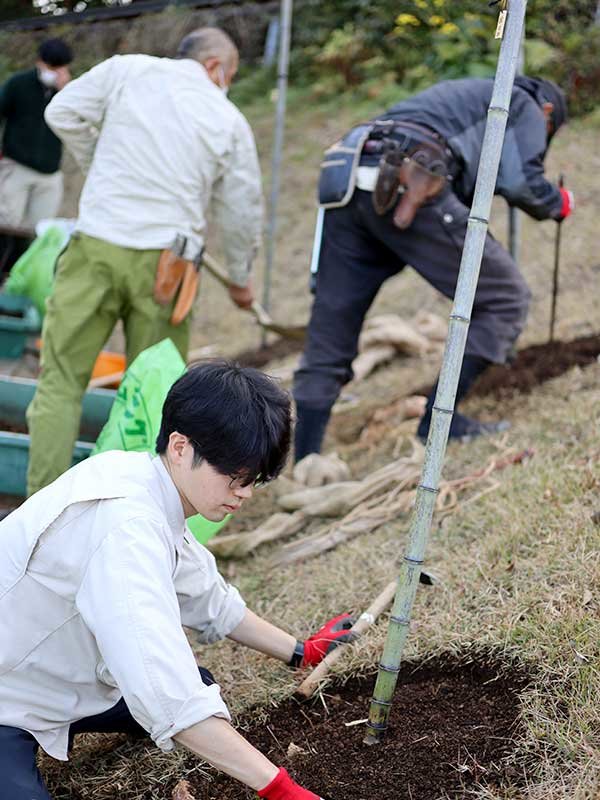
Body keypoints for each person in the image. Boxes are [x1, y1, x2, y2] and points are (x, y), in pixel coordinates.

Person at [0, 361, 350, 800]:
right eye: (234, 476)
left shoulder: (146, 482)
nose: (244, 492)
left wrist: (300, 652)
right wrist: (281, 790)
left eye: (253, 479)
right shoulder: (124, 525)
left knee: (198, 685)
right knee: (182, 700)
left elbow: (205, 594)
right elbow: (166, 694)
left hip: (62, 678)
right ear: (181, 447)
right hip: (8, 694)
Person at [26, 27, 263, 496]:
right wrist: (240, 278)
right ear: (216, 68)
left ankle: (41, 510)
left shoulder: (126, 70)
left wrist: (101, 163)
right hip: (167, 265)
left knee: (60, 384)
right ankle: (137, 512)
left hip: (96, 245)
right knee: (155, 394)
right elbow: (241, 209)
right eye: (230, 75)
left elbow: (62, 110)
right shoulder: (226, 117)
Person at [293, 76, 573, 461]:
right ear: (548, 114)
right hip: (411, 177)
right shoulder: (524, 101)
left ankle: (304, 456)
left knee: (332, 320)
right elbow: (522, 180)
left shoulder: (465, 94)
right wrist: (558, 202)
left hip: (349, 177)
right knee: (505, 297)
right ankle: (440, 421)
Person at [0, 38, 72, 268]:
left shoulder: (69, 93)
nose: (54, 72)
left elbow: (79, 119)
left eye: (59, 67)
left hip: (50, 173)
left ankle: (19, 276)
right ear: (40, 61)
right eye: (51, 67)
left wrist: (66, 93)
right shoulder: (18, 84)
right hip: (16, 165)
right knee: (6, 225)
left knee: (38, 230)